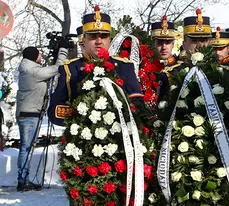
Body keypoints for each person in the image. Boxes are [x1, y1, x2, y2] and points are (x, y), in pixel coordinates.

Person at [48, 6, 142, 126]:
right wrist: (84, 114)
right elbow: (55, 111)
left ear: (109, 40)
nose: (99, 41)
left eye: (104, 36)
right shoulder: (69, 69)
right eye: (93, 36)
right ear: (84, 40)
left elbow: (138, 105)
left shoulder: (124, 66)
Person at [16, 45, 69, 191]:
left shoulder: (29, 68)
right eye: (39, 54)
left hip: (29, 113)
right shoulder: (32, 71)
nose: (40, 56)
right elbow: (57, 67)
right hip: (29, 115)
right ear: (34, 56)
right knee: (26, 147)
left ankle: (23, 179)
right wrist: (62, 51)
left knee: (26, 147)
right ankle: (22, 181)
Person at [151, 15, 182, 102]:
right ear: (153, 43)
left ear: (173, 43)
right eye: (160, 43)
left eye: (168, 42)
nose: (164, 47)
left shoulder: (181, 68)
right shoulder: (144, 66)